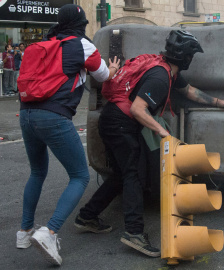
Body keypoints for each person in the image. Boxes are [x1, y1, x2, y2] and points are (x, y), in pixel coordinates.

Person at [74, 30, 224, 258]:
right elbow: (137, 109)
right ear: (187, 58)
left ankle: (87, 216)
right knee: (134, 175)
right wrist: (162, 131)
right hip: (120, 124)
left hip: (114, 121)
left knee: (123, 174)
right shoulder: (160, 78)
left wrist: (219, 102)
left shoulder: (166, 68)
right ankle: (134, 233)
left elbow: (189, 91)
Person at [16, 4, 120, 266]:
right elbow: (103, 75)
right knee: (80, 176)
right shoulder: (81, 45)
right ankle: (49, 233)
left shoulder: (43, 44)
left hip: (26, 115)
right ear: (81, 24)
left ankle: (24, 231)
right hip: (54, 116)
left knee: (37, 172)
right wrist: (114, 68)